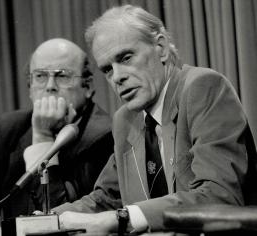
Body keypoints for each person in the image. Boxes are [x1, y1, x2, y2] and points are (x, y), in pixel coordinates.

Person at [53, 5, 257, 234]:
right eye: (108, 70)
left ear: (160, 48)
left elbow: (218, 196)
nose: (117, 77)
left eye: (126, 58)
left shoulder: (203, 88)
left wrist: (123, 218)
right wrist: (45, 221)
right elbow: (107, 198)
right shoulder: (126, 119)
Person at [0, 38, 114, 229]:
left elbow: (55, 222)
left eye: (62, 76)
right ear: (30, 87)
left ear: (87, 86)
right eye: (40, 76)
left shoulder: (105, 135)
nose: (50, 86)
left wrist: (42, 137)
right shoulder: (10, 128)